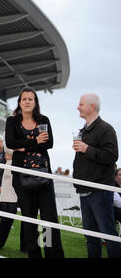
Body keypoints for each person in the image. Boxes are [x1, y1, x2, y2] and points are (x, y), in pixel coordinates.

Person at [5, 87, 64, 258]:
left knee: (49, 218)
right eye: (24, 99)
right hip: (21, 177)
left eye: (31, 99)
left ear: (35, 102)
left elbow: (49, 143)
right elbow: (10, 142)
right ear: (19, 102)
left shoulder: (43, 120)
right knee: (29, 219)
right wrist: (35, 140)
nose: (27, 102)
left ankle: (53, 254)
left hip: (43, 175)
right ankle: (34, 254)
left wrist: (24, 145)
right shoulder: (12, 121)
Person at [72, 93, 121, 258]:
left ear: (91, 106)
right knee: (90, 235)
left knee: (108, 232)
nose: (77, 107)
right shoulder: (84, 130)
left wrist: (87, 149)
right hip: (85, 189)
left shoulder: (106, 129)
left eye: (81, 104)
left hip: (99, 190)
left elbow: (112, 155)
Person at [0, 147, 27, 253]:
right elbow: (9, 147)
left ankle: (26, 247)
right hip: (12, 175)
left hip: (23, 174)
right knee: (7, 216)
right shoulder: (9, 161)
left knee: (27, 216)